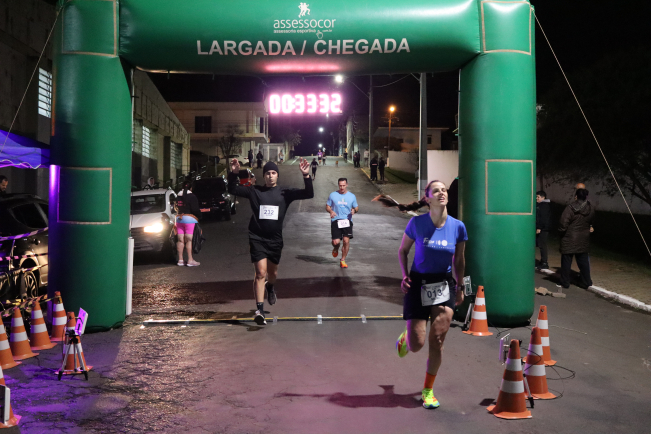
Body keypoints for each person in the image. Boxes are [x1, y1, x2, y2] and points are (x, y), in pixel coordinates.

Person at [374, 180, 467, 409]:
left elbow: (459, 259)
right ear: (427, 198)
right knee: (417, 344)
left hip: (443, 284)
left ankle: (428, 390)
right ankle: (406, 339)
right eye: (436, 190)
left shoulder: (458, 227)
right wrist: (405, 275)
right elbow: (403, 250)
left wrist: (461, 286)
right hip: (418, 283)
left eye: (444, 190)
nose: (442, 193)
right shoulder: (416, 223)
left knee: (437, 340)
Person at [228, 157, 313, 325]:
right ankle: (259, 310)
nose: (270, 176)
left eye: (274, 173)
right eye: (267, 173)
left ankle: (271, 287)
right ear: (264, 175)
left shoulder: (284, 192)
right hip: (257, 237)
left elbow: (309, 193)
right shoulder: (255, 191)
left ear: (277, 175)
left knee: (272, 274)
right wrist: (234, 173)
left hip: (275, 240)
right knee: (260, 273)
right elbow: (232, 189)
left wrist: (306, 176)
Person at [558, 188, 594, 289]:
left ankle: (565, 282)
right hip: (583, 238)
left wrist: (561, 232)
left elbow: (563, 222)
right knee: (583, 262)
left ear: (576, 196)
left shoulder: (570, 208)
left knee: (566, 262)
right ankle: (587, 281)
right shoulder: (590, 208)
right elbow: (591, 221)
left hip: (569, 238)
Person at [326, 178, 359, 268]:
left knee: (346, 240)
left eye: (344, 185)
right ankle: (336, 248)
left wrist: (354, 210)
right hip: (336, 220)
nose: (342, 187)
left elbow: (356, 207)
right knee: (335, 242)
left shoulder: (352, 196)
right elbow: (327, 206)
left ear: (347, 185)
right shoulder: (333, 195)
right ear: (338, 185)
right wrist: (331, 211)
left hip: (347, 221)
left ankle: (343, 260)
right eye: (340, 185)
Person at [175, 180, 202, 267]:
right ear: (191, 188)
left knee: (180, 239)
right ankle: (190, 260)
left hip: (179, 219)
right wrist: (199, 216)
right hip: (189, 219)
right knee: (188, 240)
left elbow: (175, 207)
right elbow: (195, 209)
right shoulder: (192, 196)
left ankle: (180, 260)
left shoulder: (178, 196)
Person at [535, 190, 551, 270]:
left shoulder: (544, 206)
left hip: (543, 229)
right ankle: (542, 261)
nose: (536, 198)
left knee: (542, 245)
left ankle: (544, 262)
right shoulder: (540, 205)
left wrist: (539, 227)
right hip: (543, 228)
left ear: (543, 197)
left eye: (538, 197)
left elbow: (543, 218)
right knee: (540, 244)